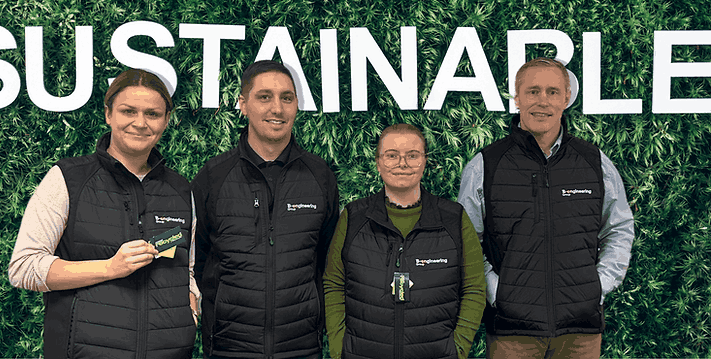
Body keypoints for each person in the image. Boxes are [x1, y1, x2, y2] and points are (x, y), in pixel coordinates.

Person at [8, 68, 198, 359]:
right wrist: (110, 267)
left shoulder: (180, 189)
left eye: (152, 114)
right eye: (128, 111)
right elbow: (24, 267)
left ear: (166, 121)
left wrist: (191, 310)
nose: (140, 123)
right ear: (109, 115)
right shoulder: (69, 178)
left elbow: (187, 269)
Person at [458, 57, 635, 359]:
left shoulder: (594, 162)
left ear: (567, 98)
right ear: (517, 98)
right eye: (533, 91)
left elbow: (619, 228)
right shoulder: (486, 165)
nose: (543, 101)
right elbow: (467, 242)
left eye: (553, 92)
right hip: (513, 334)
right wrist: (499, 293)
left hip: (580, 335)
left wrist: (596, 287)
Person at [191, 60, 339, 359]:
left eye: (287, 97)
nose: (277, 108)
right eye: (264, 97)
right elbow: (199, 259)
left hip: (301, 347)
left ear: (297, 105)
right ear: (243, 104)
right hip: (229, 347)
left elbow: (327, 259)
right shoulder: (213, 176)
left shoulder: (319, 175)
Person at [323, 123, 486, 359]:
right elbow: (333, 283)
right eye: (391, 155)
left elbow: (474, 288)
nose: (402, 163)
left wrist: (456, 350)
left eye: (412, 155)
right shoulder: (354, 217)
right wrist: (340, 349)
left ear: (425, 161)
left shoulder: (454, 219)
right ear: (378, 162)